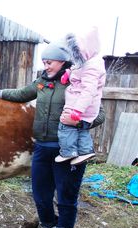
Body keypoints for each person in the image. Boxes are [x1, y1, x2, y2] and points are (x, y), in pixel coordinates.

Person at [0, 41, 105, 228]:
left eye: (49, 62)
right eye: (44, 62)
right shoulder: (42, 82)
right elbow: (21, 94)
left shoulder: (78, 80)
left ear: (63, 61)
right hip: (42, 148)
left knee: (66, 199)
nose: (46, 66)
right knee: (41, 196)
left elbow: (99, 113)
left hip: (68, 150)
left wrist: (78, 122)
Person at [55, 27, 106, 165]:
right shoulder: (90, 62)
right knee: (81, 129)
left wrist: (78, 110)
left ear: (86, 48)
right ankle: (86, 151)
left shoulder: (91, 67)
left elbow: (88, 91)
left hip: (80, 105)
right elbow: (78, 69)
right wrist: (69, 73)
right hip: (87, 107)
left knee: (65, 124)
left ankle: (68, 152)